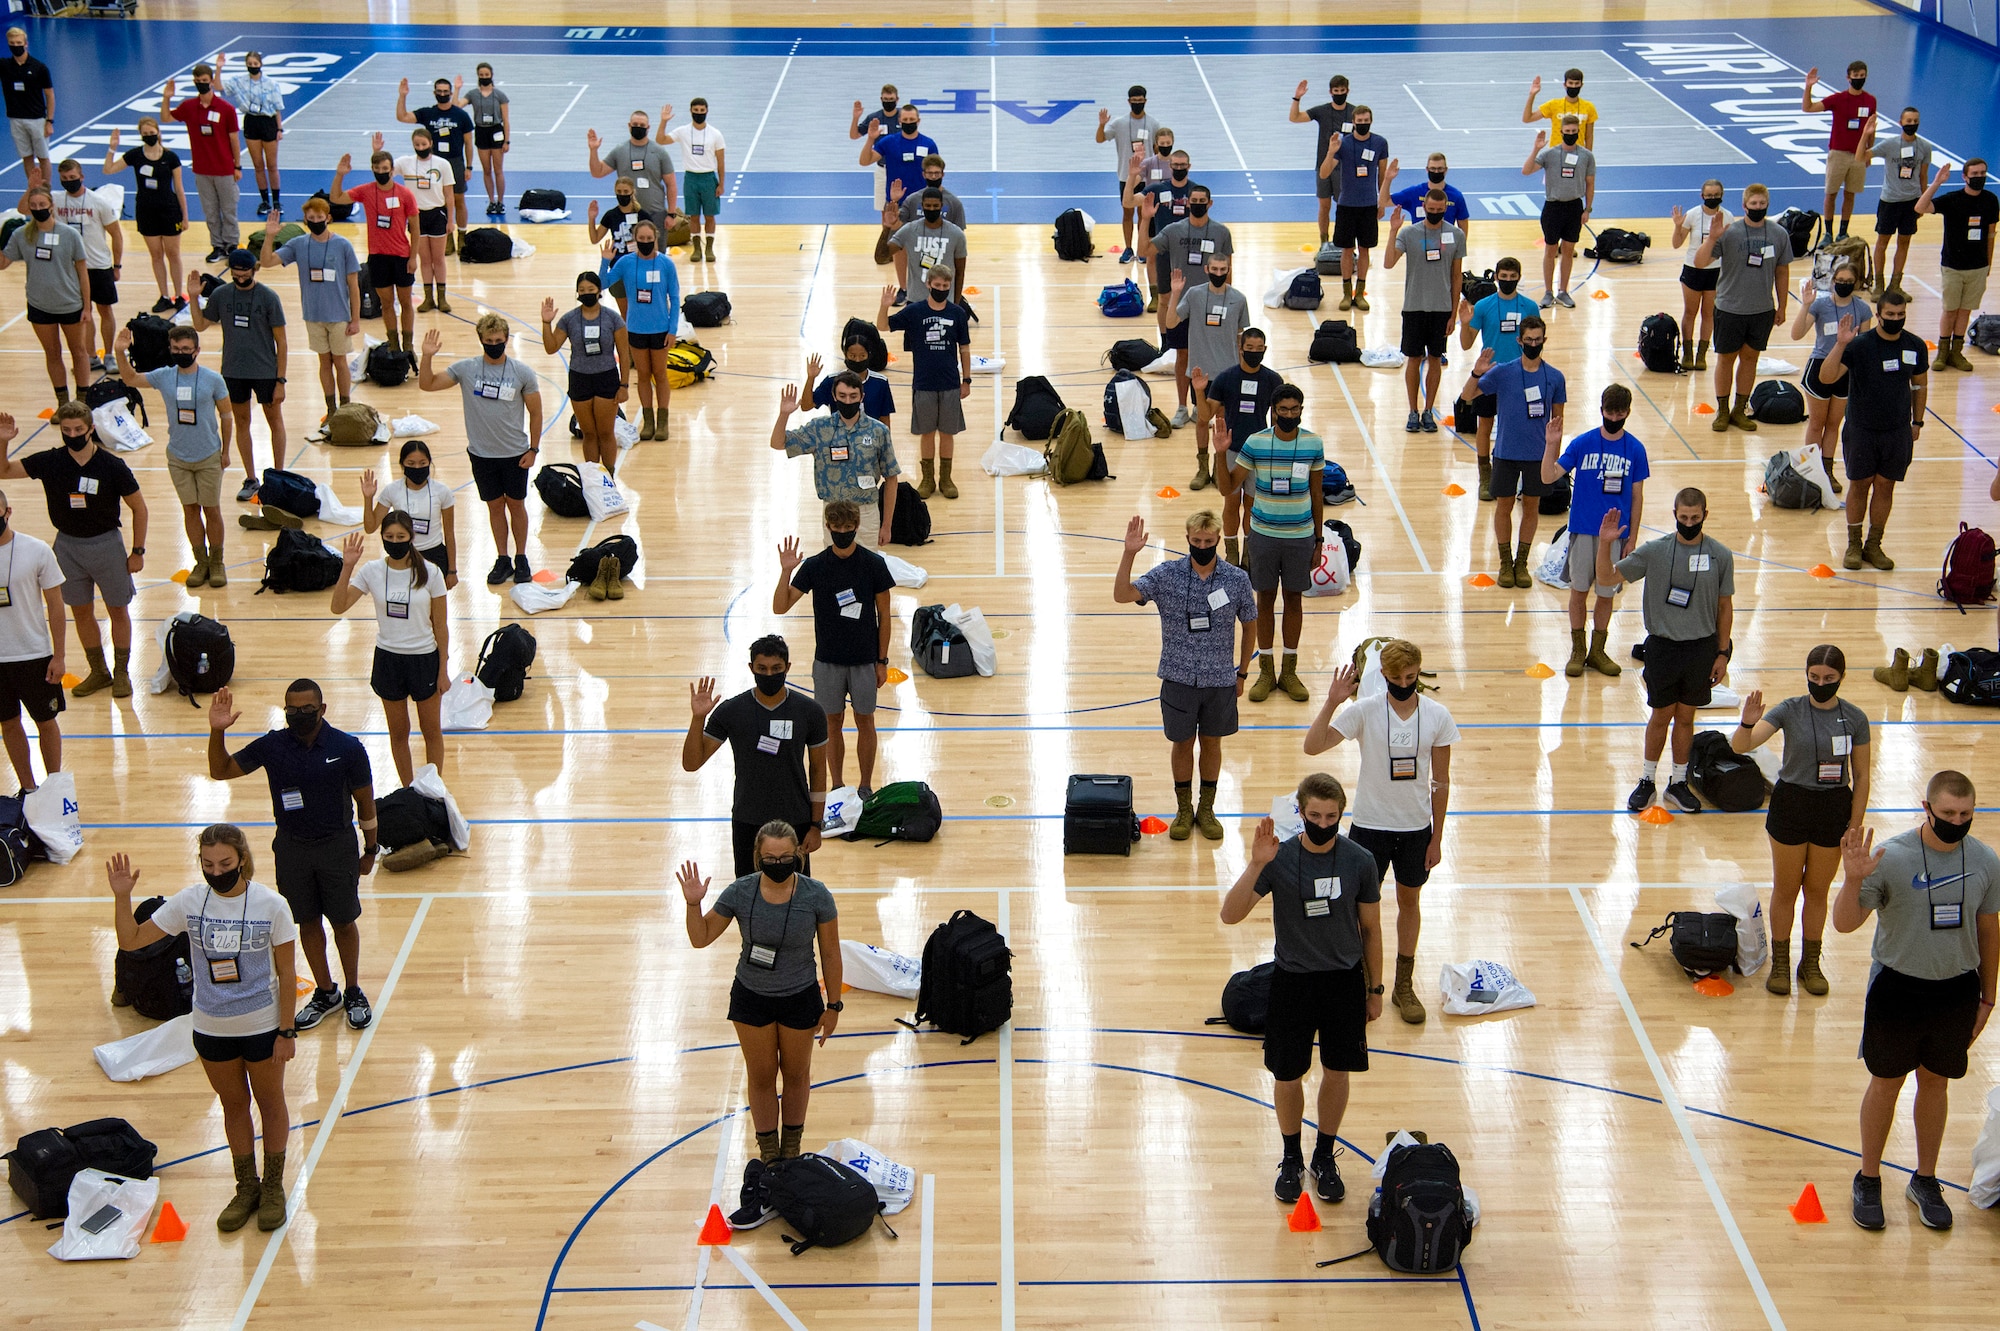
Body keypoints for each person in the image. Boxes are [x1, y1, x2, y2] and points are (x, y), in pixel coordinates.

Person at [105, 828, 298, 1233]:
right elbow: (131, 941)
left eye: (225, 864)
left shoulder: (271, 905)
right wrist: (122, 897)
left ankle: (274, 1187)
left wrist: (286, 1031)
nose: (217, 871)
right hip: (211, 1027)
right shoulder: (191, 901)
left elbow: (287, 971)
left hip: (262, 1026)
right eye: (208, 865)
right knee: (233, 1106)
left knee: (270, 1103)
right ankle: (247, 1187)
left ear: (242, 859)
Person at [1834, 771, 1998, 1232]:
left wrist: (1987, 997)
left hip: (1956, 992)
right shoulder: (1891, 857)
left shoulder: (1985, 861)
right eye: (1947, 813)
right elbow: (1844, 924)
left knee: (1936, 1085)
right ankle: (1868, 1178)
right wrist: (1851, 881)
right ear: (1925, 808)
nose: (1957, 821)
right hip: (1897, 989)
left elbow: (1989, 930)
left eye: (1965, 814)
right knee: (1885, 1085)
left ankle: (1924, 1179)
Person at [1219, 773, 1383, 1205]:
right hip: (1292, 982)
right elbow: (1229, 915)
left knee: (1337, 1070)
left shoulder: (1359, 861)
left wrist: (1377, 989)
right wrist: (1256, 863)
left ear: (1341, 815)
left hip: (1343, 982)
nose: (1323, 823)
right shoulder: (1277, 859)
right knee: (1288, 1075)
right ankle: (1291, 1157)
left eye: (1331, 816)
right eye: (1314, 815)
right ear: (1301, 813)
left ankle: (1324, 1155)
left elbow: (1371, 928)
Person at [677, 821, 843, 1225]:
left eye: (786, 859)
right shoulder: (740, 892)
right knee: (762, 1075)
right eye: (770, 859)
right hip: (751, 997)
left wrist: (833, 1006)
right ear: (758, 858)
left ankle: (792, 1151)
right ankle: (770, 1156)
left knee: (798, 1074)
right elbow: (700, 939)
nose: (778, 864)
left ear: (798, 857)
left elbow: (832, 952)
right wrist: (693, 903)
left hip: (801, 996)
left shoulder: (816, 895)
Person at [206, 680, 378, 1033]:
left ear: (323, 709)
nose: (299, 716)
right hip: (292, 848)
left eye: (307, 710)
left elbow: (366, 802)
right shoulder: (273, 746)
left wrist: (371, 847)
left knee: (344, 922)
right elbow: (220, 770)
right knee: (307, 921)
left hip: (337, 846)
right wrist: (216, 731)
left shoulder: (347, 749)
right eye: (292, 710)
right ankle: (327, 993)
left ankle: (353, 990)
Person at [1303, 640, 1457, 1024]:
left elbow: (1441, 782)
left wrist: (1437, 837)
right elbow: (1312, 746)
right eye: (1395, 677)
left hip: (1415, 828)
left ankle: (1403, 986)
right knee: (1361, 911)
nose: (1404, 683)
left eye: (1410, 676)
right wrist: (1333, 701)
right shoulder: (1366, 711)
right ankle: (1366, 983)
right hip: (1369, 828)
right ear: (1383, 676)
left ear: (1418, 673)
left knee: (1410, 903)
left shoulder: (1438, 716)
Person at [1732, 646, 1871, 997]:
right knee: (1787, 888)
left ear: (1842, 677)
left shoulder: (1855, 718)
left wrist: (1854, 825)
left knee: (1817, 891)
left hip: (1833, 807)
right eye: (1814, 677)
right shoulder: (1789, 710)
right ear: (1806, 674)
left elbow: (1863, 776)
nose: (1820, 684)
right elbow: (1741, 746)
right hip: (1791, 804)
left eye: (1829, 678)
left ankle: (1810, 962)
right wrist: (1747, 721)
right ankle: (1780, 961)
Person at [1114, 510, 1256, 839]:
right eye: (1196, 541)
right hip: (1178, 678)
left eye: (1208, 541)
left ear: (1219, 540)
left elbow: (1251, 625)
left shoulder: (1236, 580)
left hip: (1220, 680)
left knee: (1212, 744)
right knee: (1182, 744)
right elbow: (1122, 595)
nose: (1202, 546)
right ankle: (1184, 808)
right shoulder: (1167, 576)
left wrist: (1243, 672)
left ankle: (1206, 808)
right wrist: (1128, 554)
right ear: (1188, 539)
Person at [1593, 487, 1734, 815]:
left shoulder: (1720, 555)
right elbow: (1606, 576)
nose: (1689, 523)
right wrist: (1604, 543)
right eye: (1683, 518)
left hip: (1701, 648)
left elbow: (1725, 607)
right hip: (1663, 648)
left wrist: (1723, 653)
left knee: (1686, 718)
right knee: (1660, 716)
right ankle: (1646, 780)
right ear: (1674, 516)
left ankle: (1679, 782)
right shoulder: (1654, 552)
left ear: (1705, 516)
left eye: (1695, 518)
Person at [0, 404, 145, 698]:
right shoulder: (51, 461)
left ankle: (121, 672)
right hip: (67, 546)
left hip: (106, 544)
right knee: (81, 612)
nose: (73, 435)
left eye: (79, 430)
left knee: (118, 610)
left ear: (91, 429)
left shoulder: (112, 466)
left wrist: (137, 551)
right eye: (66, 430)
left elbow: (139, 508)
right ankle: (99, 671)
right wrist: (4, 441)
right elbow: (3, 471)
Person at [682, 635, 829, 878]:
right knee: (748, 896)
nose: (769, 674)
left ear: (787, 668)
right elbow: (691, 763)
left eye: (776, 669)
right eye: (762, 668)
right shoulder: (731, 711)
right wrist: (698, 719)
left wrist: (815, 825)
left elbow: (818, 770)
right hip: (747, 819)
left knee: (795, 897)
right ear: (751, 668)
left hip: (795, 820)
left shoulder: (810, 711)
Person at [774, 502, 895, 798]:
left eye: (847, 528)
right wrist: (786, 572)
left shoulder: (873, 564)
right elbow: (780, 607)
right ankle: (837, 784)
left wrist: (882, 661)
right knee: (832, 723)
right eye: (837, 528)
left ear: (856, 527)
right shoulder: (815, 566)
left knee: (866, 720)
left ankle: (866, 786)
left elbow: (885, 615)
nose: (843, 533)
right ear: (828, 527)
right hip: (827, 660)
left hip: (865, 660)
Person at [416, 321, 543, 586]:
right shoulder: (467, 369)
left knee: (516, 505)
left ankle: (521, 557)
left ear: (507, 339)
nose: (494, 346)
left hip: (515, 454)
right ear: (481, 340)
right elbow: (427, 384)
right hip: (482, 455)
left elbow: (536, 412)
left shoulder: (522, 372)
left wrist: (533, 448)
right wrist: (427, 356)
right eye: (489, 341)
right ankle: (503, 558)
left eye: (499, 341)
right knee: (495, 506)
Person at [1542, 384, 1647, 678]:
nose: (1614, 416)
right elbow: (1548, 476)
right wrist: (1552, 444)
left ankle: (1598, 650)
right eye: (1610, 411)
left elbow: (1637, 497)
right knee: (1578, 591)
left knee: (1606, 594)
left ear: (1627, 412)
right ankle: (1578, 649)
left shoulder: (1635, 449)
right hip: (1584, 530)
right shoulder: (1583, 443)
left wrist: (1632, 539)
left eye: (1620, 412)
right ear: (1601, 410)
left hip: (1616, 535)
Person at [332, 523, 448, 789]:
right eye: (389, 537)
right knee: (398, 733)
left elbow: (441, 627)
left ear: (410, 538)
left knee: (431, 731)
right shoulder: (372, 571)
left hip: (424, 659)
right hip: (388, 660)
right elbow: (338, 606)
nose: (394, 541)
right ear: (382, 538)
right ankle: (409, 791)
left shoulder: (431, 573)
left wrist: (443, 670)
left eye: (400, 537)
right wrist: (347, 566)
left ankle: (434, 788)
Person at [115, 324, 230, 589]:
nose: (181, 353)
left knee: (212, 510)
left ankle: (217, 562)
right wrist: (120, 353)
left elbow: (226, 415)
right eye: (176, 349)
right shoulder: (164, 376)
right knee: (190, 509)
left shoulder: (213, 379)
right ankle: (200, 562)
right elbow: (131, 378)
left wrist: (225, 452)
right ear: (170, 349)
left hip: (208, 454)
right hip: (178, 456)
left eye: (186, 349)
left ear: (197, 350)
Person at [1819, 292, 1925, 572]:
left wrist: (1918, 422)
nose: (1896, 319)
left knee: (1886, 486)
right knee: (1860, 484)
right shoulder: (1860, 345)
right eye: (1890, 315)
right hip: (1862, 429)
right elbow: (1826, 377)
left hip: (1897, 431)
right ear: (1878, 315)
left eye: (1900, 315)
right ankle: (1853, 544)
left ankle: (1873, 544)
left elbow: (1919, 386)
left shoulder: (1914, 345)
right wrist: (1841, 344)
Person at [1235, 384, 1321, 704]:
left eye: (1294, 409)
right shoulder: (1256, 442)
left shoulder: (1313, 443)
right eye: (1282, 410)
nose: (1288, 415)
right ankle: (1266, 671)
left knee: (1294, 601)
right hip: (1264, 536)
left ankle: (1289, 671)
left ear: (1301, 409)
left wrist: (1319, 539)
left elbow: (1316, 494)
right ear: (1273, 411)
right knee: (1265, 602)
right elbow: (1233, 486)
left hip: (1300, 537)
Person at [187, 248, 287, 503]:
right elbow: (200, 325)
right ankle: (251, 478)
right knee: (242, 422)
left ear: (254, 270)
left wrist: (280, 380)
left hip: (265, 371)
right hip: (233, 371)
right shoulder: (221, 295)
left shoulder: (268, 297)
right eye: (236, 272)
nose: (240, 277)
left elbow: (282, 342)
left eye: (245, 272)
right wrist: (193, 297)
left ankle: (278, 476)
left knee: (274, 420)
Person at [1694, 183, 1793, 433]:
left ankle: (1740, 409)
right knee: (1725, 360)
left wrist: (1782, 306)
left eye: (1762, 204)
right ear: (1744, 205)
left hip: (1761, 310)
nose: (1757, 208)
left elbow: (1782, 271)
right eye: (1753, 204)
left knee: (1750, 359)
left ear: (1767, 204)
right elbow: (1700, 261)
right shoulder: (1730, 232)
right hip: (1729, 308)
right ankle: (1723, 410)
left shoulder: (1779, 234)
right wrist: (1713, 238)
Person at [1476, 314, 1563, 587]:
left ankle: (1521, 563)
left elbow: (1558, 422)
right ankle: (1505, 563)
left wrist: (1553, 456)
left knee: (1531, 506)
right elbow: (1469, 395)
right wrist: (1477, 371)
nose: (1533, 344)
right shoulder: (1503, 372)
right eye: (1528, 340)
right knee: (1503, 505)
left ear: (1544, 341)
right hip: (1506, 452)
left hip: (1538, 455)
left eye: (1538, 340)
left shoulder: (1555, 377)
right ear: (1519, 341)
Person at [262, 196, 362, 435]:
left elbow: (353, 285)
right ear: (305, 219)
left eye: (319, 217)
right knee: (323, 362)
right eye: (311, 218)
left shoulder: (343, 245)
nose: (316, 221)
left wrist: (355, 318)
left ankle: (346, 408)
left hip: (339, 314)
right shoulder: (298, 244)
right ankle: (332, 409)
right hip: (313, 315)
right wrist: (269, 236)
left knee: (340, 361)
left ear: (328, 218)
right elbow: (266, 262)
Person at [1137, 177, 1231, 426]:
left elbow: (1228, 270)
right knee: (1183, 356)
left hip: (1211, 304)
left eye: (1202, 201)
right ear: (1188, 203)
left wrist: (1227, 301)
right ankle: (1181, 406)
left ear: (1210, 204)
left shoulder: (1221, 232)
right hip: (1183, 305)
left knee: (1209, 357)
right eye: (1194, 201)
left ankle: (1202, 406)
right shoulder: (1174, 230)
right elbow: (1144, 251)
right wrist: (1146, 219)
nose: (1198, 204)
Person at [772, 372, 900, 546]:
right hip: (833, 512)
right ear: (834, 396)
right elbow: (778, 443)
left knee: (866, 568)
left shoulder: (878, 431)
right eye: (842, 396)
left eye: (853, 396)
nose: (847, 401)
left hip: (866, 512)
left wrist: (887, 526)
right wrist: (784, 415)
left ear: (862, 397)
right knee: (834, 569)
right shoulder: (819, 428)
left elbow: (891, 478)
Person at [878, 271, 971, 501]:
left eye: (945, 285)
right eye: (937, 284)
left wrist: (966, 380)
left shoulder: (957, 313)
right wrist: (885, 306)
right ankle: (927, 479)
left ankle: (946, 479)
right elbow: (882, 326)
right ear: (928, 284)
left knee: (947, 433)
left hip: (950, 383)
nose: (941, 288)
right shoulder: (915, 311)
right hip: (924, 383)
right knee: (927, 433)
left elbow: (965, 349)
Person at [1195, 328, 1282, 567]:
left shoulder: (1273, 380)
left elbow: (1278, 420)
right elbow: (1205, 415)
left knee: (1252, 506)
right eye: (1249, 348)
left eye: (1259, 348)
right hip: (1232, 450)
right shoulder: (1226, 378)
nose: (1254, 352)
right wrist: (1199, 391)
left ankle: (1249, 553)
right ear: (1240, 349)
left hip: (1260, 452)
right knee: (1231, 503)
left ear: (1265, 349)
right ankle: (1232, 552)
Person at [0, 483, 66, 791]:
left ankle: (53, 787)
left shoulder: (37, 550)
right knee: (9, 723)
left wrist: (59, 655)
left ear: (8, 512)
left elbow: (55, 606)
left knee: (46, 721)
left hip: (35, 655)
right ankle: (27, 788)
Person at [1452, 257, 1536, 502]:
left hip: (1520, 375)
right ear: (1496, 276)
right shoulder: (1484, 306)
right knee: (1485, 424)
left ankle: (1518, 477)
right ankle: (1485, 477)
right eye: (1504, 276)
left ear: (1519, 277)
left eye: (1512, 277)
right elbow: (1467, 345)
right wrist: (1464, 325)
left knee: (1519, 426)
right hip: (1490, 375)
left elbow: (1536, 340)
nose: (1508, 281)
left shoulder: (1529, 307)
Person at [1164, 256, 1251, 491]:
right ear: (1206, 269)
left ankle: (1217, 467)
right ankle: (1202, 468)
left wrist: (1244, 371)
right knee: (1202, 420)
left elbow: (1241, 338)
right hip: (1201, 373)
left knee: (1222, 422)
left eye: (1223, 269)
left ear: (1228, 270)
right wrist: (1174, 293)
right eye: (1214, 268)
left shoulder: (1238, 299)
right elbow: (1171, 323)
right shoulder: (1194, 294)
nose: (1219, 272)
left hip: (1229, 373)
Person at [0, 183, 89, 408]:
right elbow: (3, 264)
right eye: (34, 205)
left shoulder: (69, 235)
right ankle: (63, 404)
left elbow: (82, 272)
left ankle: (83, 401)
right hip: (40, 305)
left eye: (42, 204)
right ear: (29, 208)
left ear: (51, 206)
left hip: (70, 304)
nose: (38, 208)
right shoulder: (22, 235)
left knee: (79, 351)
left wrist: (87, 307)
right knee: (52, 353)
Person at [1383, 193, 1464, 434]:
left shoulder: (1456, 235)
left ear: (1445, 208)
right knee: (1414, 359)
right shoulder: (1409, 233)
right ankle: (1412, 410)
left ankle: (1428, 411)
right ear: (1424, 207)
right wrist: (1392, 231)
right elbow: (1388, 263)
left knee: (1436, 359)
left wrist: (1453, 314)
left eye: (1440, 208)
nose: (1435, 211)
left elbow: (1457, 276)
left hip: (1441, 309)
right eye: (1431, 207)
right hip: (1414, 307)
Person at [1790, 262, 1870, 497]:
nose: (1843, 285)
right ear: (1833, 281)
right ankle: (1810, 469)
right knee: (1817, 423)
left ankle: (1827, 469)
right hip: (1820, 366)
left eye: (1848, 282)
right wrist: (1805, 306)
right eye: (1840, 280)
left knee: (1834, 424)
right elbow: (1796, 334)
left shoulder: (1863, 309)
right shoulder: (1821, 305)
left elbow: (1863, 345)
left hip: (1846, 370)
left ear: (1856, 284)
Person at [329, 149, 419, 353]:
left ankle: (408, 344)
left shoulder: (405, 194)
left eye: (385, 168)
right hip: (378, 257)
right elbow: (336, 198)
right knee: (386, 304)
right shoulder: (366, 191)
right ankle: (394, 343)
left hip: (401, 256)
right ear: (372, 169)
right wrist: (340, 174)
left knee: (405, 302)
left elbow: (415, 227)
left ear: (392, 170)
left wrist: (413, 257)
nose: (381, 172)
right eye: (377, 168)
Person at [541, 274, 630, 475]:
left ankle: (610, 477)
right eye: (582, 291)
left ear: (599, 292)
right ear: (577, 293)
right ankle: (594, 477)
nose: (586, 294)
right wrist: (546, 324)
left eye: (591, 290)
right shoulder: (569, 319)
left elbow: (624, 355)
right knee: (589, 434)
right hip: (580, 379)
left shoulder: (612, 318)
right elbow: (551, 347)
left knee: (606, 432)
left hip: (606, 378)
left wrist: (624, 385)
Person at [1914, 160, 1996, 372]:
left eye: (1983, 173)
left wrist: (1988, 262)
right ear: (1965, 176)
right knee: (1950, 310)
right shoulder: (1953, 200)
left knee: (1965, 311)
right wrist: (1936, 183)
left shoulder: (1991, 200)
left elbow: (1990, 234)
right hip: (1952, 265)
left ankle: (1956, 352)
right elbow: (1920, 207)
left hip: (1978, 267)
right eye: (1975, 173)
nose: (1980, 177)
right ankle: (1942, 352)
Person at [103, 119, 190, 314]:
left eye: (151, 132)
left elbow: (179, 188)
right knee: (156, 255)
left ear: (158, 133)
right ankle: (164, 296)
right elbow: (108, 170)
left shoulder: (171, 158)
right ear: (141, 135)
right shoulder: (135, 155)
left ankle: (178, 295)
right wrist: (112, 149)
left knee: (173, 254)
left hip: (169, 210)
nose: (148, 136)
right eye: (145, 133)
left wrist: (185, 216)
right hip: (146, 211)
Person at [604, 218, 680, 442]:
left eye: (649, 238)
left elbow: (674, 298)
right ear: (635, 240)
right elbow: (604, 282)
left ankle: (663, 421)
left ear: (655, 239)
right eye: (641, 239)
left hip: (660, 329)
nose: (645, 242)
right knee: (643, 375)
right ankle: (649, 421)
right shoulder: (626, 263)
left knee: (661, 374)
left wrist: (672, 329)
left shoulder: (666, 264)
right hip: (636, 329)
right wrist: (604, 261)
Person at [47, 158, 123, 373]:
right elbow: (26, 209)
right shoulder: (55, 200)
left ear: (82, 177)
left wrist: (117, 265)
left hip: (98, 265)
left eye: (73, 178)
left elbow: (116, 235)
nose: (69, 182)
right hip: (69, 268)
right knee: (82, 313)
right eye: (64, 179)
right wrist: (33, 187)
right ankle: (90, 356)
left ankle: (108, 355)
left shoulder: (99, 202)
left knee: (104, 310)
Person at [161, 67, 243, 264]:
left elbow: (234, 139)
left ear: (212, 81)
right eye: (198, 80)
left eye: (205, 79)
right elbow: (166, 118)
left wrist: (237, 166)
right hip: (202, 170)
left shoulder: (226, 109)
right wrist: (166, 98)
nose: (201, 83)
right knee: (211, 211)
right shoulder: (189, 107)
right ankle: (217, 246)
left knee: (229, 209)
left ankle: (231, 245)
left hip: (224, 169)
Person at [1316, 107, 1387, 310]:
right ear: (1353, 122)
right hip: (1346, 205)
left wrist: (1382, 202)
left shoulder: (1380, 143)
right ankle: (1346, 293)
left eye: (1366, 120)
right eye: (1359, 120)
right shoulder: (1344, 144)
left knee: (1364, 249)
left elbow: (1382, 174)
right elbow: (1324, 173)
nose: (1363, 123)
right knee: (1347, 250)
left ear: (1371, 121)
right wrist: (1331, 151)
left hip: (1369, 205)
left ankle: (1360, 293)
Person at [361, 440, 457, 586]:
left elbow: (449, 534)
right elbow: (370, 527)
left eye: (422, 463)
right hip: (403, 555)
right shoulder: (392, 490)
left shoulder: (442, 492)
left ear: (429, 463)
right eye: (411, 463)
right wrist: (368, 499)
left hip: (435, 556)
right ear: (402, 464)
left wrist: (452, 571)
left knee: (434, 606)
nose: (417, 467)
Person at [1522, 121, 1594, 309]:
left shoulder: (1586, 156)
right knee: (1550, 250)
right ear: (1561, 132)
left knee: (1568, 251)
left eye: (1574, 131)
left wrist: (1588, 209)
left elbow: (1590, 184)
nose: (1570, 133)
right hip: (1553, 207)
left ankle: (1563, 291)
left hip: (1574, 208)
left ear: (1578, 132)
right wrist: (1535, 149)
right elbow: (1526, 170)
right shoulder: (1549, 154)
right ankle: (1548, 292)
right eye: (1567, 131)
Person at [396, 76, 473, 250]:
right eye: (439, 91)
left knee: (458, 199)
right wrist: (402, 96)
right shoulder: (428, 113)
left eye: (446, 92)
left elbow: (468, 143)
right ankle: (447, 238)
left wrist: (469, 166)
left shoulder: (461, 115)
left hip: (455, 162)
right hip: (433, 163)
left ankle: (462, 235)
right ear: (434, 93)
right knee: (441, 201)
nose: (443, 94)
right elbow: (402, 116)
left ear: (451, 93)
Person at [384, 127, 455, 313]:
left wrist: (450, 220)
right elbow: (385, 171)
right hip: (416, 217)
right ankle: (428, 298)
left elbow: (449, 194)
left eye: (423, 144)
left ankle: (442, 298)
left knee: (438, 258)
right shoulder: (406, 162)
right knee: (424, 259)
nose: (420, 147)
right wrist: (377, 151)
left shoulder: (442, 164)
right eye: (417, 144)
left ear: (431, 143)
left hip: (437, 215)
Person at [1803, 62, 1876, 240]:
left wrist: (1869, 152)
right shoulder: (1838, 99)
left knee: (1850, 194)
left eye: (1862, 76)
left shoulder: (1870, 101)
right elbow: (1808, 108)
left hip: (1858, 155)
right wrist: (1808, 88)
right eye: (1856, 76)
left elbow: (1872, 128)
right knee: (1831, 193)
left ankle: (1843, 231)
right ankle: (1828, 232)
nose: (1859, 79)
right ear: (1848, 77)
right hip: (1838, 154)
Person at [1868, 108, 1931, 297]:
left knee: (1904, 242)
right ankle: (1879, 285)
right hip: (1890, 200)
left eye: (1915, 120)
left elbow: (1923, 176)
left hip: (1911, 201)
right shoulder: (1890, 144)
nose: (1911, 124)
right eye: (1908, 120)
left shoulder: (1925, 147)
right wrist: (1866, 135)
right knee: (1882, 242)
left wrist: (1923, 200)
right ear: (1900, 122)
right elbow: (1862, 156)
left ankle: (1895, 285)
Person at [1126, 144, 1193, 318]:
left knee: (1189, 300)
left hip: (1189, 251)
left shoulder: (1196, 191)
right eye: (1176, 165)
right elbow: (1128, 202)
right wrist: (1132, 177)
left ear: (1189, 167)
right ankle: (1165, 342)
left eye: (1182, 165)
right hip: (1165, 251)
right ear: (1170, 167)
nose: (1179, 168)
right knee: (1164, 301)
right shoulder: (1157, 189)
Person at [1671, 182, 1731, 371]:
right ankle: (1687, 353)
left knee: (1708, 314)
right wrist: (1678, 226)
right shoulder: (1693, 215)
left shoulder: (1727, 217)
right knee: (1690, 312)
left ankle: (1701, 355)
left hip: (1715, 271)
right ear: (1702, 195)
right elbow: (1676, 244)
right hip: (1693, 269)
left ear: (1722, 195)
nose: (1712, 198)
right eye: (1709, 195)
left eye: (1716, 195)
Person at [1289, 75, 1356, 244]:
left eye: (1342, 91)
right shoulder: (1323, 111)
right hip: (1324, 166)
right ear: (1330, 92)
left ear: (1347, 91)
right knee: (1324, 205)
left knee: (1345, 208)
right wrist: (1297, 98)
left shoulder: (1355, 112)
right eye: (1336, 91)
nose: (1339, 94)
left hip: (1346, 168)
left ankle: (1345, 243)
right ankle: (1324, 243)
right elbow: (1294, 118)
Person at [218, 52, 284, 217]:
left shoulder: (271, 84)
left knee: (272, 165)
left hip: (268, 123)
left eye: (256, 63)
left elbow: (277, 109)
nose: (253, 66)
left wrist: (279, 128)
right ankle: (264, 201)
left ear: (261, 64)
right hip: (251, 122)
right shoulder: (239, 81)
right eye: (250, 63)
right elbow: (219, 87)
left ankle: (276, 201)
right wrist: (218, 68)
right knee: (258, 166)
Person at [860, 106, 939, 244]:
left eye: (912, 119)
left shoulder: (929, 144)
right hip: (896, 203)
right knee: (895, 248)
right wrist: (870, 140)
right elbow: (864, 161)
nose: (909, 122)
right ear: (900, 121)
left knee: (920, 246)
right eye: (905, 120)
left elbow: (936, 174)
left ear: (918, 121)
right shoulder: (889, 142)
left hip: (921, 203)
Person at [1097, 85, 1159, 260]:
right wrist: (1101, 125)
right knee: (1127, 213)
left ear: (1145, 101)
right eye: (1134, 101)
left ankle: (1142, 249)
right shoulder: (1119, 123)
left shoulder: (1153, 123)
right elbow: (1100, 139)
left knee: (1143, 214)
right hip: (1126, 176)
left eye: (1140, 101)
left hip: (1146, 177)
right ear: (1129, 102)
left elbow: (1158, 147)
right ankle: (1128, 248)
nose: (1137, 104)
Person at [588, 109, 680, 221]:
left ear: (648, 128)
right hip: (628, 214)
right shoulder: (620, 151)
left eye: (642, 125)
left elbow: (671, 185)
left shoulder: (659, 152)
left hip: (655, 213)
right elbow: (598, 172)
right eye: (635, 124)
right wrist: (593, 151)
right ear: (629, 126)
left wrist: (671, 214)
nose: (638, 127)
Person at [663, 97, 724, 263]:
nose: (699, 114)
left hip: (708, 178)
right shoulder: (683, 131)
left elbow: (721, 161)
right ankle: (697, 249)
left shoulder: (715, 134)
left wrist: (721, 183)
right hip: (690, 178)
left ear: (707, 111)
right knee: (694, 216)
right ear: (691, 111)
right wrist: (663, 122)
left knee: (710, 216)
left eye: (702, 111)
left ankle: (709, 248)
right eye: (696, 111)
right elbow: (661, 140)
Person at [886, 188, 968, 306]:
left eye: (935, 206)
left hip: (945, 302)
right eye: (928, 205)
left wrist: (956, 304)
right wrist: (888, 227)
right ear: (922, 206)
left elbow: (960, 272)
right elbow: (881, 256)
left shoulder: (956, 234)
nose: (931, 209)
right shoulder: (910, 230)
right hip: (915, 302)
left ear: (941, 206)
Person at [589, 181, 655, 318]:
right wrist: (591, 219)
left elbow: (654, 243)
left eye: (625, 192)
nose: (622, 195)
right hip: (619, 268)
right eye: (619, 192)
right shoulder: (611, 215)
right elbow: (595, 239)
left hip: (639, 267)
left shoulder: (642, 215)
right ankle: (628, 339)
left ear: (632, 192)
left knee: (643, 309)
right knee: (625, 314)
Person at [809, 341, 897, 440]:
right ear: (845, 355)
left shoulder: (880, 382)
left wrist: (886, 446)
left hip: (870, 442)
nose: (857, 360)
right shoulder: (832, 381)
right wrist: (810, 378)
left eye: (862, 355)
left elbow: (885, 419)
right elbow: (806, 406)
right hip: (839, 441)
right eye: (852, 356)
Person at [3, 28, 53, 183]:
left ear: (26, 44)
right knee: (26, 156)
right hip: (16, 119)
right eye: (12, 43)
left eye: (19, 43)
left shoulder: (39, 67)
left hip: (37, 119)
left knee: (43, 156)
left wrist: (49, 121)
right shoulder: (4, 66)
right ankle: (33, 188)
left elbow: (50, 95)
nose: (16, 46)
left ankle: (46, 189)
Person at [461, 62, 511, 218]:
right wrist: (456, 89)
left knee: (498, 170)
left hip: (496, 131)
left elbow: (506, 119)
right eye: (481, 75)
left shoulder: (500, 95)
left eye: (486, 75)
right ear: (478, 76)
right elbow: (457, 105)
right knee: (486, 170)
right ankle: (491, 201)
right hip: (481, 131)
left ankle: (501, 202)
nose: (484, 77)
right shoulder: (472, 94)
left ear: (491, 75)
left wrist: (506, 140)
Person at [1381, 153, 1470, 238]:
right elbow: (1384, 202)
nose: (1436, 172)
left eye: (1440, 169)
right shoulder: (1414, 192)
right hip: (1419, 245)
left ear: (1445, 170)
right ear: (1427, 170)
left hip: (1445, 246)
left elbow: (1463, 227)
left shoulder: (1456, 196)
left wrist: (1460, 248)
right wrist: (1387, 179)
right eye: (1433, 169)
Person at [1521, 70, 1596, 151]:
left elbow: (1589, 137)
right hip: (1555, 154)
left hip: (1578, 154)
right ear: (1565, 85)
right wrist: (1532, 95)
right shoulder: (1554, 104)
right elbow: (1527, 118)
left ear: (1581, 85)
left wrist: (1588, 158)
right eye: (1570, 83)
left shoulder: (1589, 107)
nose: (1573, 86)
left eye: (1576, 83)